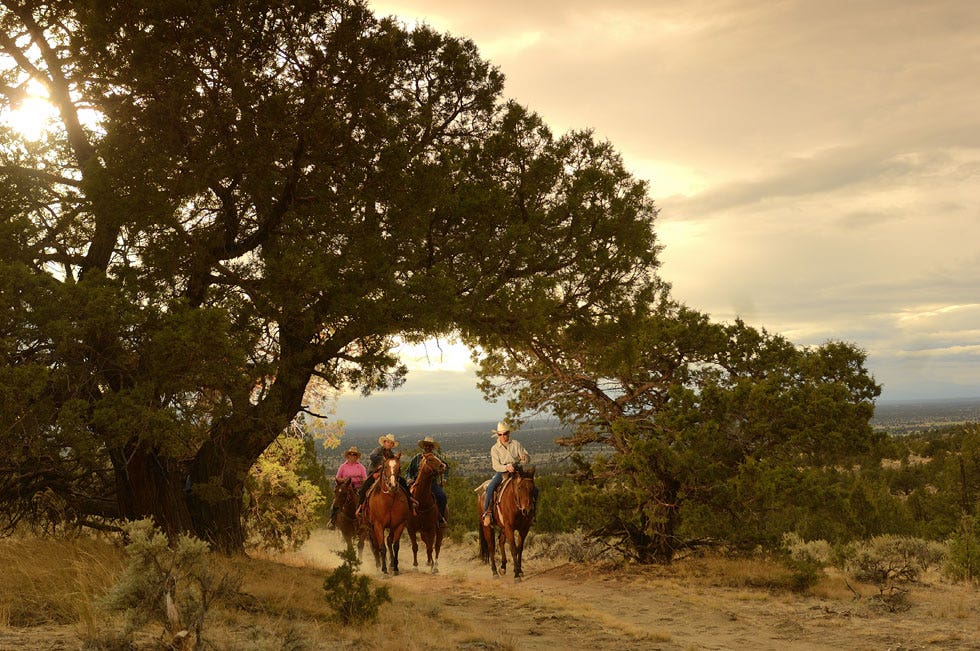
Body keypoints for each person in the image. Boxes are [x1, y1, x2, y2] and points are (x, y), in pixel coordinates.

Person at [482, 421, 534, 526]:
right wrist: (506, 467)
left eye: (505, 433)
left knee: (533, 488)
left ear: (508, 433)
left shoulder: (516, 444)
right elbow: (495, 466)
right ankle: (487, 513)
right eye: (500, 434)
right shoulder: (495, 449)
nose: (503, 436)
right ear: (497, 435)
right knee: (490, 487)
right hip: (502, 473)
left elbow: (527, 458)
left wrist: (525, 457)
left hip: (518, 471)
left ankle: (532, 513)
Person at [357, 433, 416, 515]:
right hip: (376, 472)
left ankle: (409, 500)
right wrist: (383, 461)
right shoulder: (378, 450)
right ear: (384, 442)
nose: (389, 444)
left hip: (388, 474)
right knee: (365, 486)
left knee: (403, 482)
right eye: (388, 442)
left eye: (391, 443)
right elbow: (372, 456)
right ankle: (360, 506)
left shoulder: (392, 454)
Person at [406, 436, 449, 525]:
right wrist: (408, 478)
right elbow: (408, 471)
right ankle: (404, 518)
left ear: (432, 447)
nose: (428, 447)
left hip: (431, 483)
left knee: (442, 497)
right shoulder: (417, 457)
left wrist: (444, 478)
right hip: (415, 482)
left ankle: (440, 518)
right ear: (423, 446)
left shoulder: (436, 457)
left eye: (430, 446)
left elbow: (446, 467)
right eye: (426, 445)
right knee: (404, 497)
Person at [329, 447, 367, 528]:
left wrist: (358, 479)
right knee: (335, 502)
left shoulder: (361, 467)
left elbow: (365, 479)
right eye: (351, 454)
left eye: (354, 455)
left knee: (366, 502)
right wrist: (345, 480)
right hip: (345, 487)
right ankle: (332, 520)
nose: (352, 456)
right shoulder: (343, 466)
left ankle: (366, 521)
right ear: (348, 456)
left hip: (357, 488)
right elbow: (337, 477)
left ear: (356, 457)